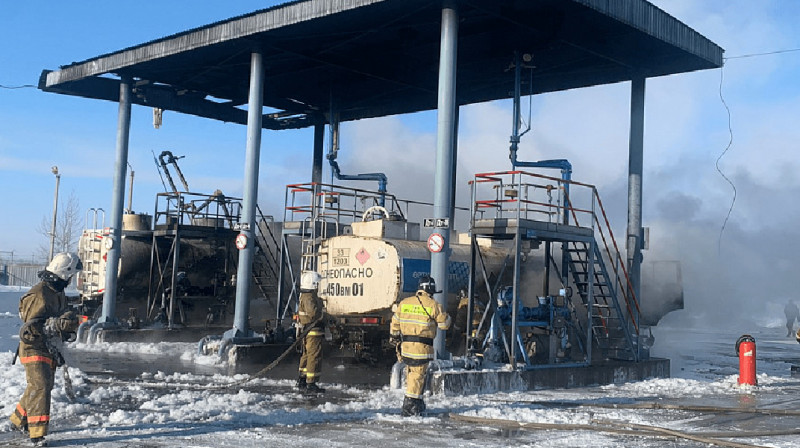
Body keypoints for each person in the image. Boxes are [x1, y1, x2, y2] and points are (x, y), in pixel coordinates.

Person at [10, 252, 81, 447]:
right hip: (33, 347)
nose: (72, 279)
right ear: (65, 273)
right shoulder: (39, 294)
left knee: (40, 386)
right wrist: (56, 324)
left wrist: (66, 327)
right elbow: (29, 326)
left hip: (48, 347)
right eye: (71, 275)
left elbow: (58, 318)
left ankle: (18, 419)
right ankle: (37, 434)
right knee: (41, 386)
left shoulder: (57, 291)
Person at [390, 275, 451, 417]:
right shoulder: (434, 305)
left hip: (405, 347)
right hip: (422, 348)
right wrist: (446, 317)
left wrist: (394, 336)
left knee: (412, 374)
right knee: (417, 375)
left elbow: (395, 323)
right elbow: (444, 325)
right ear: (430, 290)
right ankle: (410, 406)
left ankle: (416, 402)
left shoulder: (405, 303)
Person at [296, 270, 326, 394]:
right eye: (317, 283)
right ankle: (311, 383)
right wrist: (323, 312)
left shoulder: (305, 296)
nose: (318, 286)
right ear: (313, 284)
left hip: (308, 330)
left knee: (307, 355)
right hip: (313, 330)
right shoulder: (309, 297)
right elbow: (313, 313)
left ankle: (302, 378)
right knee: (314, 355)